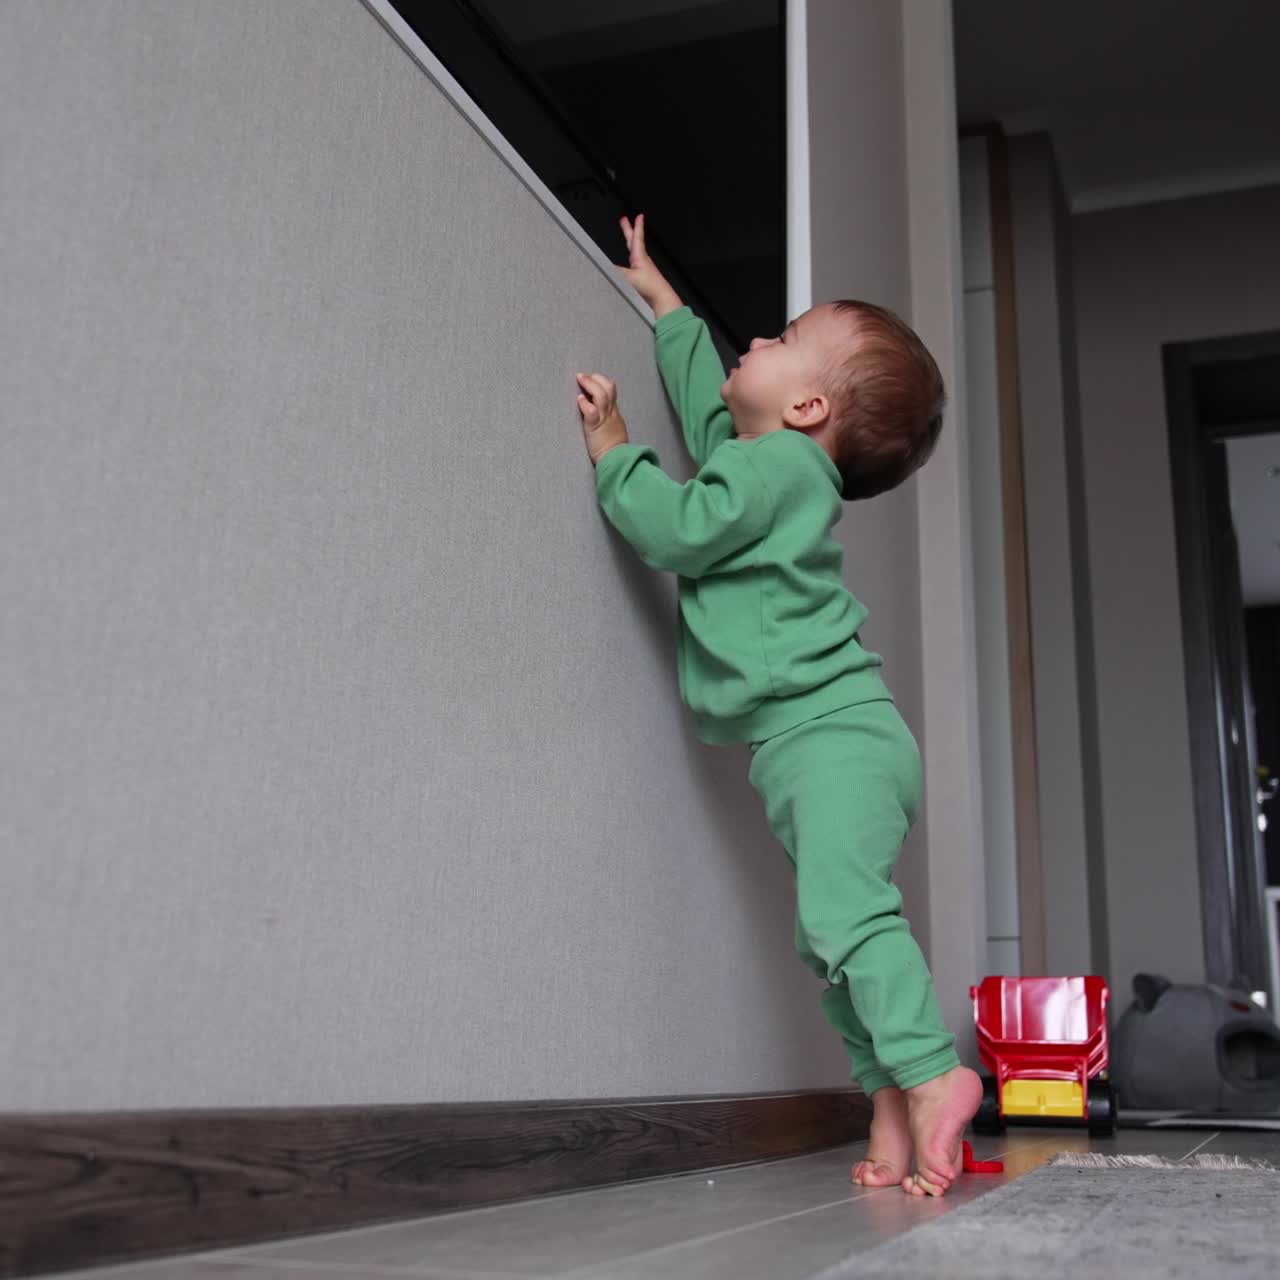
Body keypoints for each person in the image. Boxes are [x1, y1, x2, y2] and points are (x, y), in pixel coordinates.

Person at [574, 215, 981, 1197]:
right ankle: (886, 1104)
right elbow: (709, 412)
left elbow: (674, 527)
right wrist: (667, 305)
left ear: (803, 405)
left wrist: (614, 448)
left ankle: (932, 1071)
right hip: (830, 738)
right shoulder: (773, 462)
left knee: (844, 914)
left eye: (781, 336)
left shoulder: (770, 471)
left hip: (830, 735)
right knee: (826, 931)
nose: (754, 338)